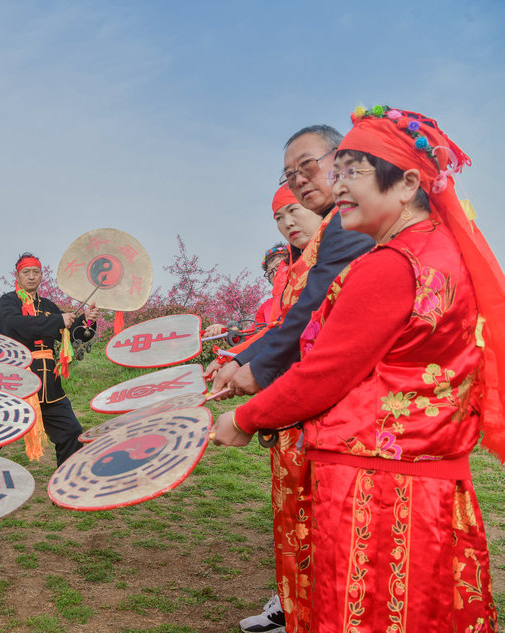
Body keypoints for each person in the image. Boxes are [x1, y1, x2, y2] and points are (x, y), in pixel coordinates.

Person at [213, 106, 502, 632]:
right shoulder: (436, 250)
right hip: (425, 484)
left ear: (408, 182)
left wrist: (245, 419)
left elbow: (323, 373)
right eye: (338, 172)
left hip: (381, 494)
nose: (337, 187)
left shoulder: (390, 265)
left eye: (352, 173)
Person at [207, 128, 375, 633]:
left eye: (308, 167)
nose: (300, 184)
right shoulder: (326, 237)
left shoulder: (346, 229)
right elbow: (284, 323)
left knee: (325, 536)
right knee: (301, 527)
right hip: (302, 410)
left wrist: (251, 378)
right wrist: (240, 362)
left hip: (333, 418)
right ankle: (297, 608)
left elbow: (307, 322)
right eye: (289, 178)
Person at [0, 253, 96, 465]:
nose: (32, 277)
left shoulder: (49, 306)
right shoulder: (8, 302)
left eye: (36, 272)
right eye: (26, 272)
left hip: (49, 386)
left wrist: (86, 321)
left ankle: (65, 490)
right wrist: (58, 321)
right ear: (18, 275)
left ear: (41, 275)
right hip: (17, 383)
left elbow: (74, 338)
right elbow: (13, 325)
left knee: (71, 432)